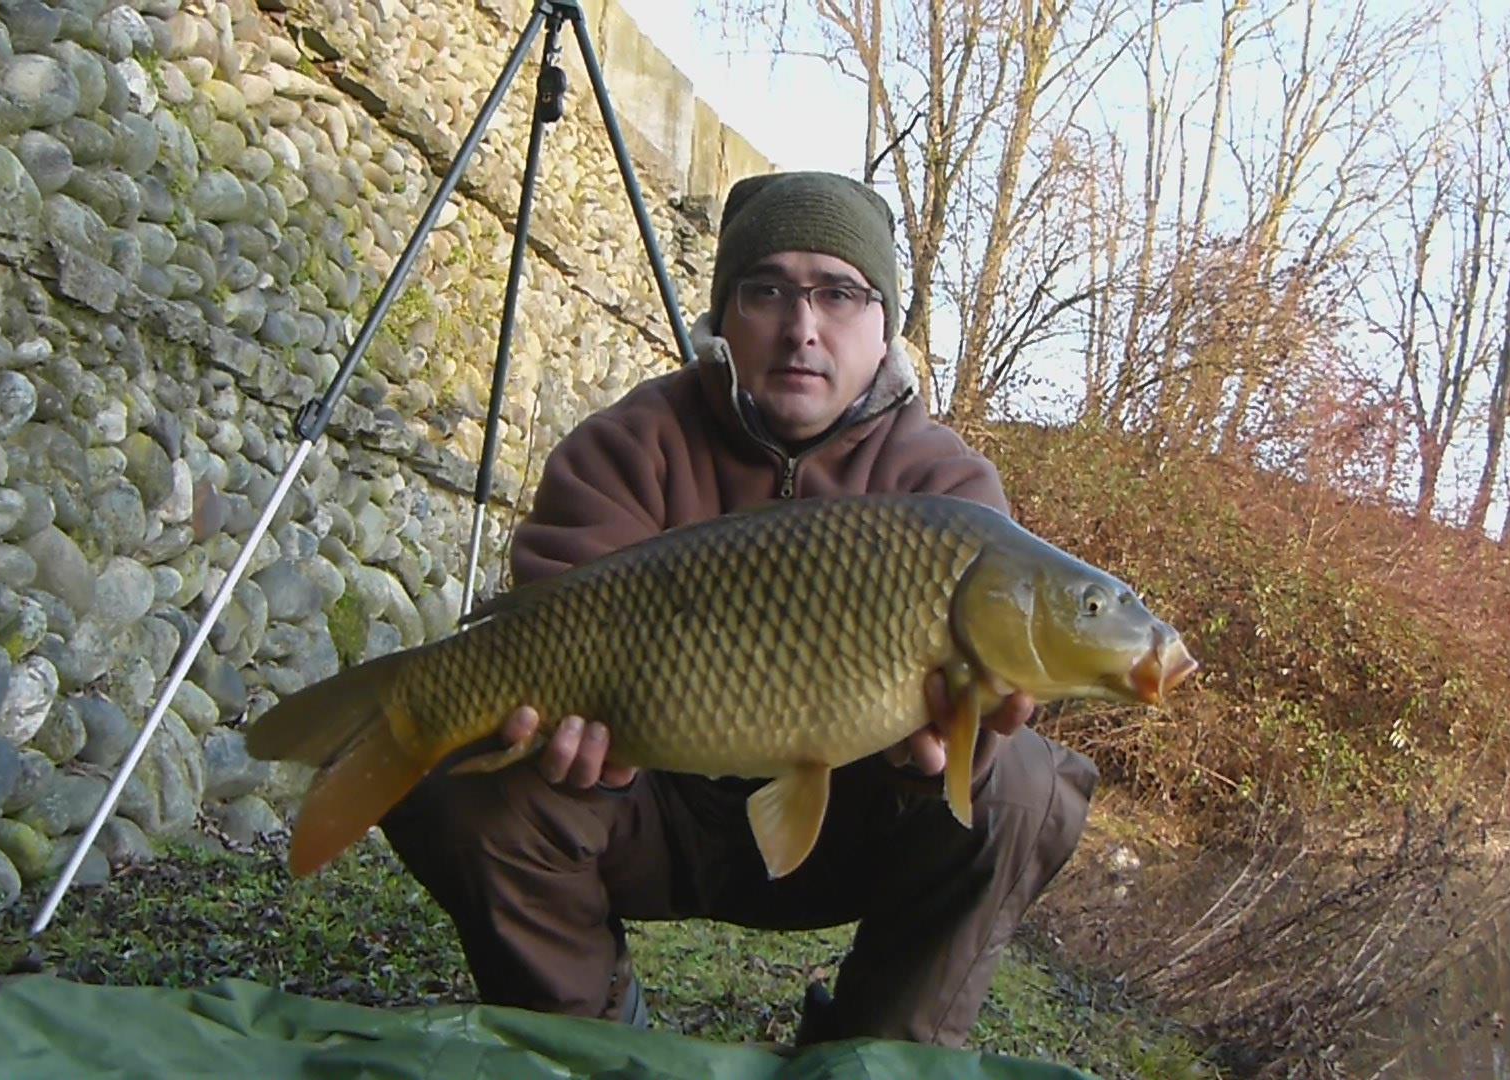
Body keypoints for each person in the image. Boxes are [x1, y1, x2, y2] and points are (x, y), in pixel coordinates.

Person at [378, 170, 1099, 1048]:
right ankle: (596, 1049)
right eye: (768, 291)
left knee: (1025, 789)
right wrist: (567, 737)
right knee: (458, 783)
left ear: (885, 328)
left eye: (839, 293)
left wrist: (943, 759)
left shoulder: (947, 491)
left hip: (848, 818)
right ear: (724, 316)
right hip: (648, 802)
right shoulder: (628, 446)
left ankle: (875, 1062)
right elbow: (547, 635)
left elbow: (973, 748)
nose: (803, 327)